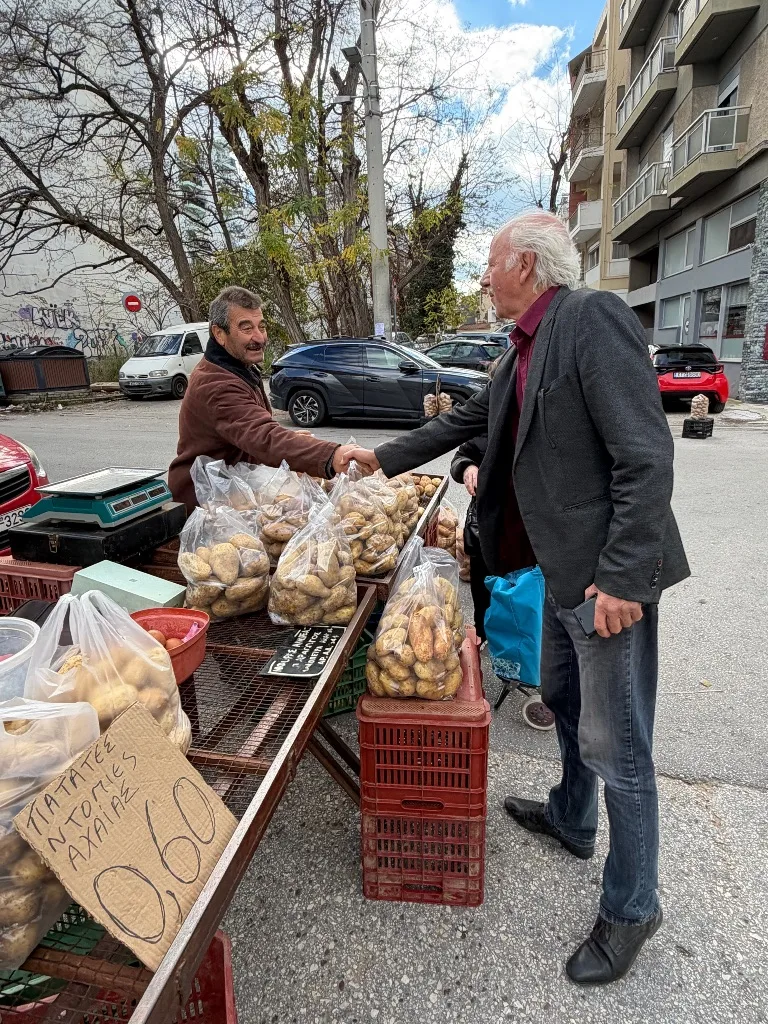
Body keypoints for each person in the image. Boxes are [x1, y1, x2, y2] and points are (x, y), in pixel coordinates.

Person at [347, 211, 689, 985]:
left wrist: (628, 579)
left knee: (620, 746)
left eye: (491, 263)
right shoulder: (519, 351)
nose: (483, 276)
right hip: (559, 576)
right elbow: (471, 422)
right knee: (565, 704)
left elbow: (645, 452)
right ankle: (572, 817)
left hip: (605, 583)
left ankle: (634, 908)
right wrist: (376, 458)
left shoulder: (590, 319)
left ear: (528, 266)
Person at [168, 287, 356, 513]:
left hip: (234, 491)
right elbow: (264, 436)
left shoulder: (237, 368)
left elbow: (247, 432)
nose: (259, 337)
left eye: (262, 326)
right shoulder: (216, 384)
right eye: (246, 328)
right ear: (219, 334)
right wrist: (332, 456)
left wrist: (292, 441)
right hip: (206, 502)